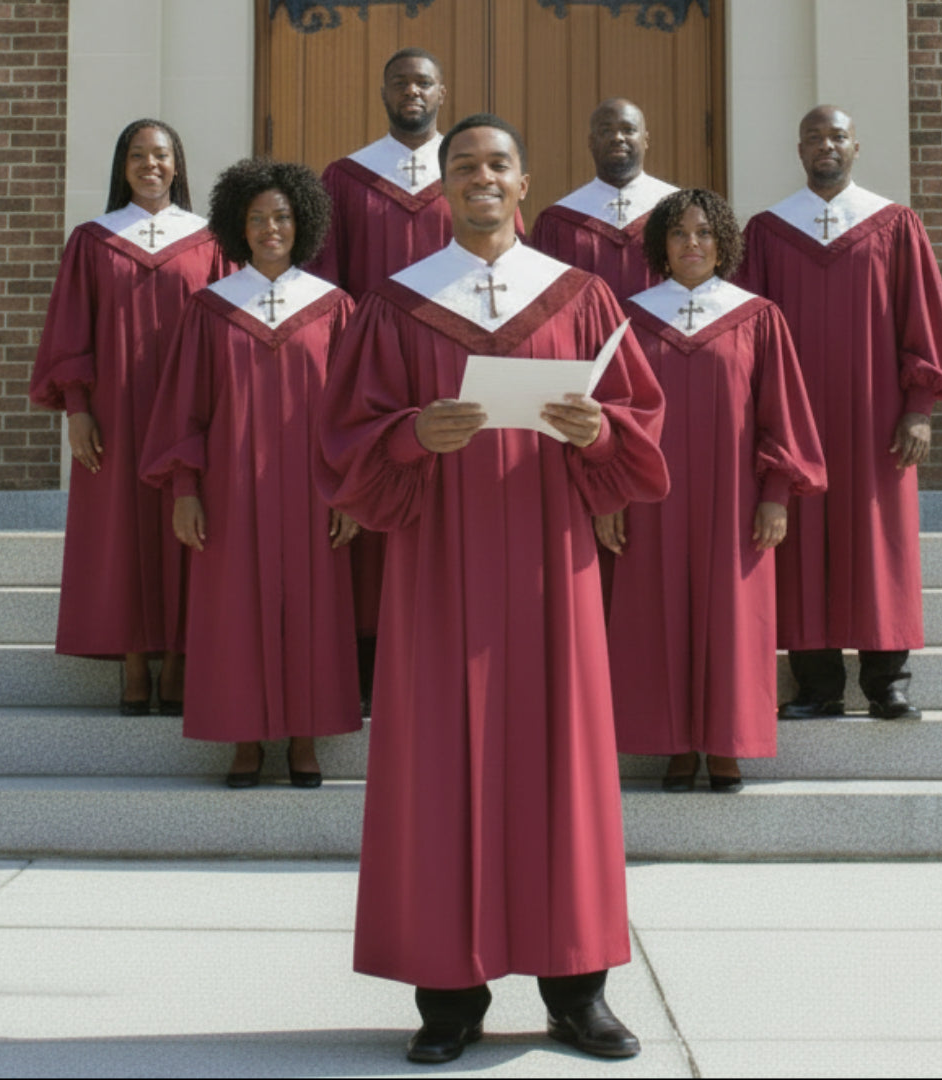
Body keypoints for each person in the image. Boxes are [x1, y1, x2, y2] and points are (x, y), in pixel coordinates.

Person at [316, 114, 669, 1064]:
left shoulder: (581, 297)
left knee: (564, 762)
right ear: (443, 186)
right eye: (464, 163)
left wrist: (599, 431)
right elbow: (345, 437)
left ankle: (577, 991)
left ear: (524, 182)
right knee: (440, 764)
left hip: (554, 568)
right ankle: (449, 996)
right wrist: (407, 436)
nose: (482, 176)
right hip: (438, 569)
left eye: (498, 163)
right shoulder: (399, 303)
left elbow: (639, 420)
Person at [307, 47, 526, 712]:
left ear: (442, 92)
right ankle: (373, 662)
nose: (412, 90)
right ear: (383, 92)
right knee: (378, 508)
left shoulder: (473, 177)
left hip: (457, 371)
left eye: (423, 81)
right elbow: (325, 285)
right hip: (377, 372)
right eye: (400, 81)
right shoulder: (347, 179)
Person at [736, 105, 942, 720]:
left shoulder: (893, 225)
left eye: (837, 135)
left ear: (856, 147)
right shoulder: (768, 233)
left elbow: (923, 319)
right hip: (797, 416)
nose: (826, 145)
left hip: (876, 416)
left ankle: (887, 682)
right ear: (799, 150)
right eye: (813, 137)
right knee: (803, 542)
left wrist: (920, 407)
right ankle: (817, 686)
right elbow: (748, 334)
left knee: (878, 539)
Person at [141, 159, 361, 787]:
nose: (271, 228)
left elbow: (352, 411)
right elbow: (186, 408)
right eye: (258, 218)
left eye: (282, 217)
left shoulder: (332, 307)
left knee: (313, 609)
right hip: (231, 488)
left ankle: (304, 738)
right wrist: (185, 490)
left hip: (314, 488)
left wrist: (350, 492)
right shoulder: (212, 308)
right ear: (240, 227)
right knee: (233, 610)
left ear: (302, 224)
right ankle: (244, 740)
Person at [598, 190, 825, 792]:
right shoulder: (631, 319)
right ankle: (673, 744)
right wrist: (609, 496)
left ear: (723, 244)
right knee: (657, 610)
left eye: (703, 233)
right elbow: (610, 413)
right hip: (651, 497)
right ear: (661, 246)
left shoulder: (756, 317)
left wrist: (776, 493)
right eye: (678, 233)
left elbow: (780, 412)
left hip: (736, 498)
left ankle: (726, 744)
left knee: (734, 616)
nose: (692, 243)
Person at [30, 119, 228, 714]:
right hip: (114, 412)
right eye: (138, 155)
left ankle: (180, 662)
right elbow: (72, 329)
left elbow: (227, 331)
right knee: (122, 528)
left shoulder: (209, 242)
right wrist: (77, 409)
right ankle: (136, 663)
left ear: (177, 164)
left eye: (161, 154)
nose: (150, 165)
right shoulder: (93, 241)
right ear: (123, 166)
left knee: (189, 522)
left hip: (189, 412)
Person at [530, 98, 678, 301]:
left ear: (645, 140)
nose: (618, 137)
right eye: (606, 130)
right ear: (591, 142)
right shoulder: (557, 219)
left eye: (628, 130)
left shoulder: (679, 209)